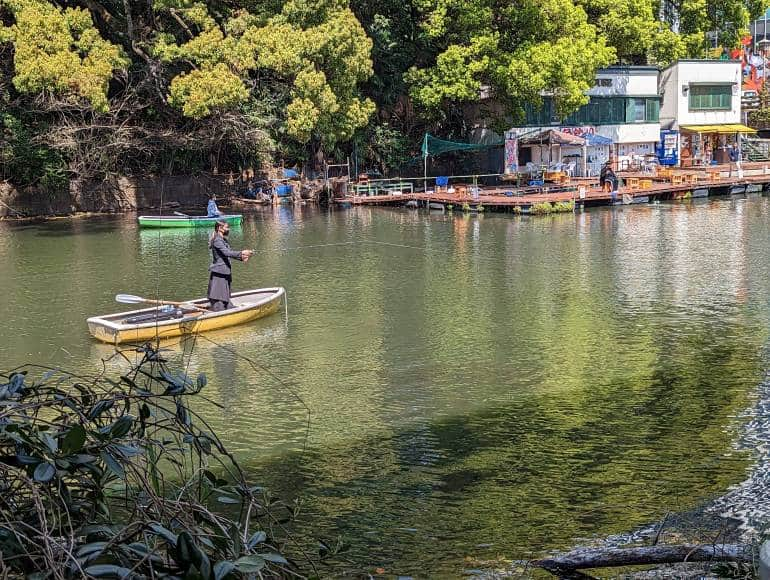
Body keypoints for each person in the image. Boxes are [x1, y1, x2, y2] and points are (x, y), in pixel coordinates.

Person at [207, 221, 253, 312]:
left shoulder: (223, 240)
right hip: (219, 272)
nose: (228, 229)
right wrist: (242, 253)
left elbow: (228, 254)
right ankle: (219, 311)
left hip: (224, 271)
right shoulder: (217, 240)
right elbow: (226, 252)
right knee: (218, 297)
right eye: (227, 227)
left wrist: (241, 257)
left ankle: (228, 308)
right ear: (220, 228)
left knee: (225, 296)